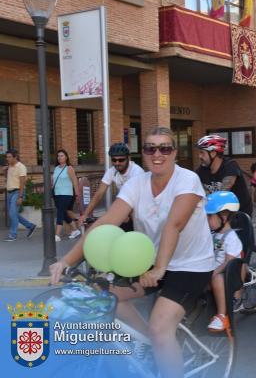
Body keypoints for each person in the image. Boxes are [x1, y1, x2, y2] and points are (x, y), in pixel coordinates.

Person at [50, 127, 214, 378]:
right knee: (104, 297)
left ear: (174, 154)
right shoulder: (138, 183)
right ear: (144, 153)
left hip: (190, 267)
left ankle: (159, 340)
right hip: (151, 264)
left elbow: (174, 224)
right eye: (150, 148)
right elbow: (105, 223)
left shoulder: (187, 180)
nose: (157, 154)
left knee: (161, 328)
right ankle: (149, 342)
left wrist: (160, 269)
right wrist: (66, 261)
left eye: (164, 148)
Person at [79, 142, 144, 231]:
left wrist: (125, 214)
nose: (117, 163)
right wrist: (85, 214)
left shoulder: (136, 172)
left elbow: (136, 199)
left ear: (128, 158)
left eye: (121, 160)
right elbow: (99, 193)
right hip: (127, 207)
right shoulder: (112, 171)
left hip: (141, 208)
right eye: (114, 160)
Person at [205, 191, 243, 333]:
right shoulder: (213, 233)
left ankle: (222, 316)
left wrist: (214, 272)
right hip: (213, 268)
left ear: (224, 216)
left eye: (209, 216)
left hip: (227, 273)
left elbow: (229, 262)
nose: (207, 220)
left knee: (216, 278)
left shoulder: (231, 237)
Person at [195, 135, 253, 216]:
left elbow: (222, 196)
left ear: (213, 153)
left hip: (239, 214)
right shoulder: (202, 169)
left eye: (202, 152)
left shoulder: (230, 167)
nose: (199, 156)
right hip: (217, 214)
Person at [3, 149, 36, 241]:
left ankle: (13, 235)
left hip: (17, 192)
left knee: (12, 213)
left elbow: (22, 183)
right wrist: (4, 171)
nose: (7, 159)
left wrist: (20, 197)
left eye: (9, 157)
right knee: (13, 214)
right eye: (7, 157)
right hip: (9, 192)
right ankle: (30, 226)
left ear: (15, 157)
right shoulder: (9, 166)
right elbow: (7, 178)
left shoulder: (21, 167)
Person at [52, 149, 81, 241]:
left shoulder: (69, 168)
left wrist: (77, 195)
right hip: (57, 194)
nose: (60, 157)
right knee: (64, 213)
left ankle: (57, 235)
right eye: (58, 156)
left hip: (66, 194)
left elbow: (75, 182)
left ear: (66, 157)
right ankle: (75, 230)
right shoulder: (56, 168)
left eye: (62, 156)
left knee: (60, 213)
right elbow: (53, 182)